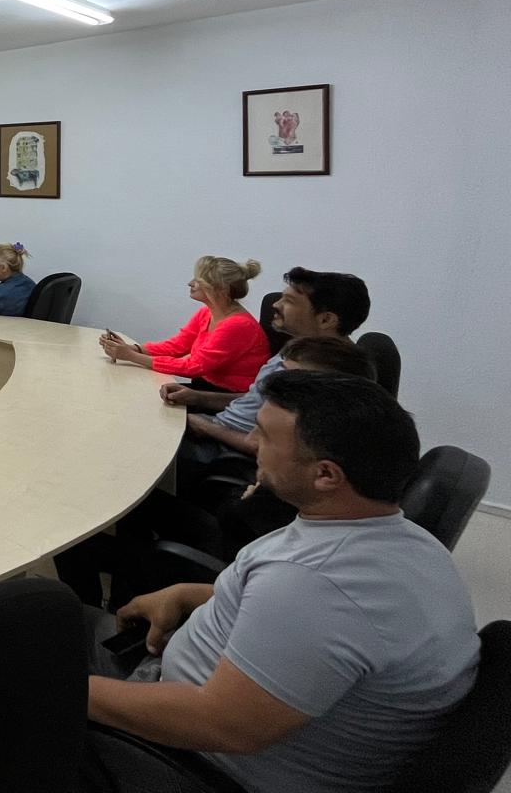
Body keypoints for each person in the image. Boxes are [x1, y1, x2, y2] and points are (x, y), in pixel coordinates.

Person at [83, 370, 479, 793]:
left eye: (265, 437)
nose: (252, 442)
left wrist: (63, 688)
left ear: (326, 475)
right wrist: (188, 594)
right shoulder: (407, 540)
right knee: (51, 613)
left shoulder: (313, 585)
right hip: (207, 690)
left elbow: (223, 726)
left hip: (190, 761)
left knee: (31, 652)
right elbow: (305, 625)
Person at [55, 335, 379, 608]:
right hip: (232, 524)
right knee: (131, 502)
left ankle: (90, 618)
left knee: (74, 541)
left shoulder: (308, 462)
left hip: (225, 558)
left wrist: (256, 490)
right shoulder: (332, 442)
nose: (276, 383)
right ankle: (123, 598)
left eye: (291, 379)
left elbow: (255, 577)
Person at [168, 267, 371, 466]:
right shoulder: (302, 347)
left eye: (289, 301)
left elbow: (268, 447)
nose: (275, 304)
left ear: (326, 319)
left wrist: (203, 426)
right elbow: (258, 398)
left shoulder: (320, 374)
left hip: (226, 452)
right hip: (219, 427)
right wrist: (197, 397)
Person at [100, 255, 269, 394]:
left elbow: (194, 366)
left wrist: (131, 356)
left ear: (219, 290)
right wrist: (131, 349)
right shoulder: (207, 312)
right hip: (205, 385)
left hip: (225, 396)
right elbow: (177, 346)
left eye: (199, 281)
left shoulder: (238, 325)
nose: (190, 283)